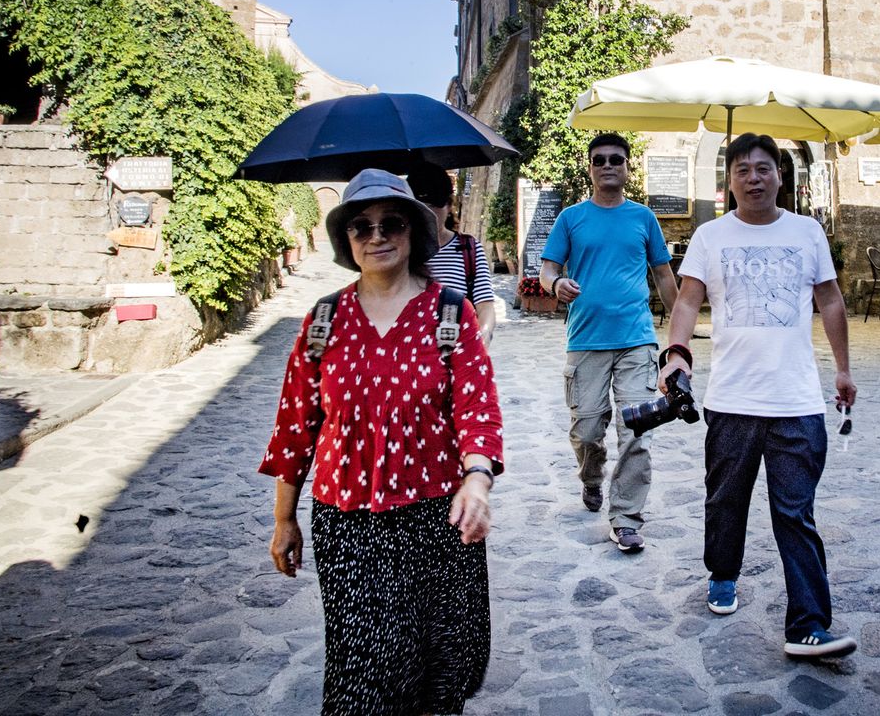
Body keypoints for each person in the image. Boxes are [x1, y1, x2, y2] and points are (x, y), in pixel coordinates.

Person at [260, 169, 503, 715]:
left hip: (437, 520)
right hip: (349, 522)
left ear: (413, 231)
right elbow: (296, 425)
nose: (376, 236)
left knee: (441, 666)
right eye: (361, 226)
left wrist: (477, 479)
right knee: (366, 672)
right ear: (346, 239)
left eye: (391, 223)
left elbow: (477, 410)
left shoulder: (450, 314)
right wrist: (284, 518)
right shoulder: (323, 319)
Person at [659, 132, 858, 659]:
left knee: (795, 513)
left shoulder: (807, 232)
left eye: (763, 168)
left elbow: (830, 301)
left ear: (779, 176)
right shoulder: (710, 236)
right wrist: (676, 353)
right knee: (726, 500)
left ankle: (808, 625)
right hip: (732, 400)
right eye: (742, 169)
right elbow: (687, 302)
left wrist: (842, 369)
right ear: (729, 180)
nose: (753, 178)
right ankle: (723, 574)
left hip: (796, 401)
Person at [539, 132, 679, 552]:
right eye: (599, 160)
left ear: (627, 167)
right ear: (590, 168)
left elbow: (664, 276)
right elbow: (547, 270)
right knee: (586, 431)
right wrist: (556, 284)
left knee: (637, 431)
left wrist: (680, 335)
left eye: (615, 159)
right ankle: (591, 477)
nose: (607, 166)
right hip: (585, 340)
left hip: (637, 341)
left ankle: (626, 518)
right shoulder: (571, 218)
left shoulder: (643, 218)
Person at [408, 161, 497, 346]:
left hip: (456, 353)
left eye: (434, 205)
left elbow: (485, 306)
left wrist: (481, 343)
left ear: (449, 206)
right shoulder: (401, 251)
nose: (428, 213)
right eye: (420, 206)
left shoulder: (469, 249)